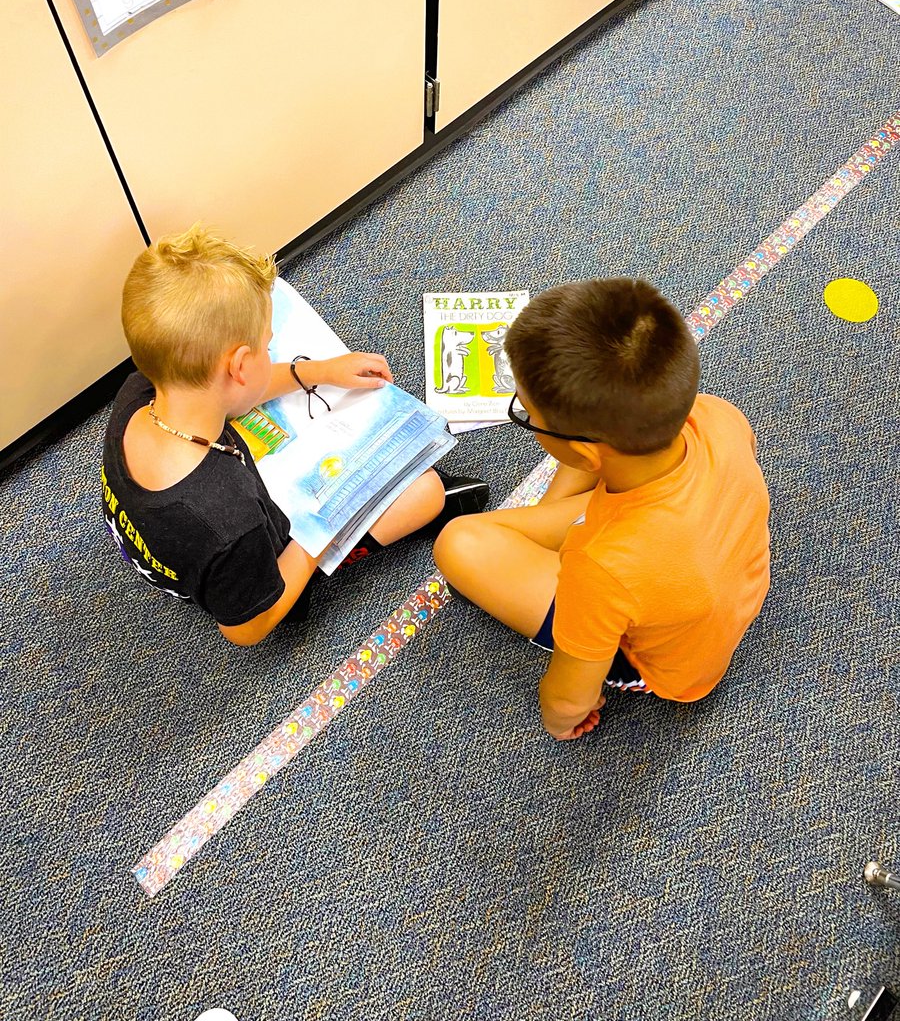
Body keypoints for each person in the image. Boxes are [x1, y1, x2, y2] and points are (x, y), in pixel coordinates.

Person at [101, 225, 487, 647]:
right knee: (426, 493)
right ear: (242, 365)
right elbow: (245, 630)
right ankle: (315, 574)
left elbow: (237, 394)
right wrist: (316, 537)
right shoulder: (230, 517)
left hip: (179, 552)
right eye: (268, 347)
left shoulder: (143, 391)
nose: (272, 352)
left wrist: (316, 371)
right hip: (261, 588)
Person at [434, 278, 770, 740]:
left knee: (457, 542)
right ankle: (565, 529)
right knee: (510, 536)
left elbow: (569, 698)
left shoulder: (600, 567)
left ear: (590, 456)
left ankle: (558, 550)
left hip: (658, 663)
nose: (524, 417)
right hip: (694, 565)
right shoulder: (717, 415)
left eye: (526, 414)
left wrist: (560, 719)